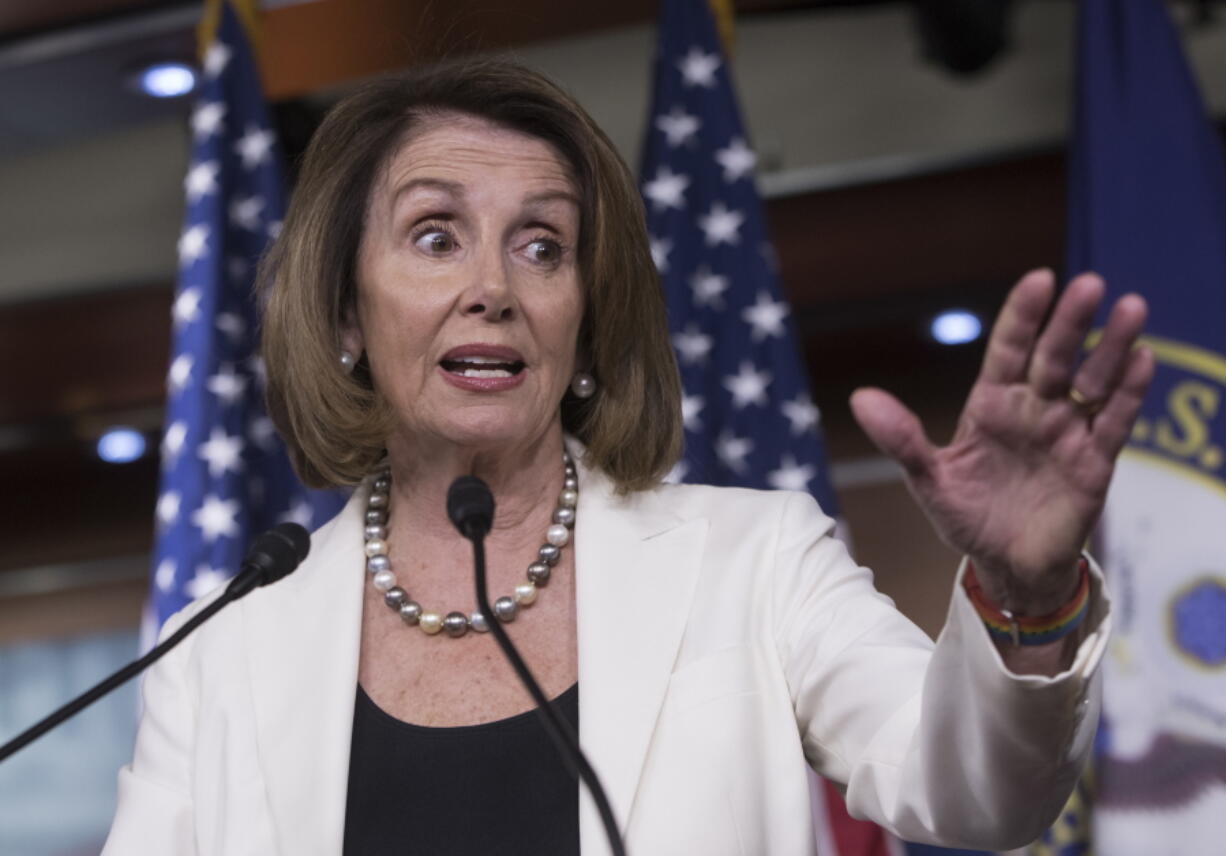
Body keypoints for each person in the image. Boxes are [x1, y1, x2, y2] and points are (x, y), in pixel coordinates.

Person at [103, 59, 1152, 856]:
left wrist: (1029, 592)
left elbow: (973, 794)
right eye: (434, 236)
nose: (494, 287)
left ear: (582, 315)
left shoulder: (754, 560)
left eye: (541, 244)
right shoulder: (222, 648)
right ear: (342, 310)